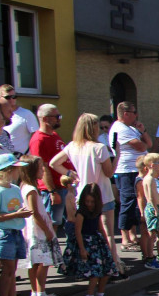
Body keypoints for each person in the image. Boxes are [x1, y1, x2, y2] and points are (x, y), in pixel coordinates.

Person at [49, 114, 119, 268]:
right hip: (102, 194)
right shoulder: (99, 147)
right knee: (107, 232)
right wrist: (117, 155)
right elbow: (109, 173)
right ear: (93, 128)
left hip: (83, 195)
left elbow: (53, 163)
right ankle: (113, 264)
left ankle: (88, 263)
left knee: (85, 232)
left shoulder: (73, 145)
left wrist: (69, 173)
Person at [67, 183, 119, 296]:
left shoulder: (97, 212)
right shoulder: (81, 213)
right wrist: (82, 249)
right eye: (87, 201)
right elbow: (78, 231)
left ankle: (100, 294)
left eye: (92, 201)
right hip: (87, 242)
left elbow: (100, 227)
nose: (89, 204)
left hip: (97, 241)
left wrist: (107, 243)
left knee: (107, 269)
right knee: (95, 272)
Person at [18, 156, 62, 296]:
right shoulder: (31, 189)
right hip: (37, 231)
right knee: (42, 263)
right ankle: (40, 292)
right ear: (31, 170)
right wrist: (47, 230)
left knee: (35, 263)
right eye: (40, 168)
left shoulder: (26, 186)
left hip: (34, 229)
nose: (43, 170)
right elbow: (34, 213)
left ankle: (36, 292)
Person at [109, 101, 151, 252]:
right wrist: (143, 143)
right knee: (127, 202)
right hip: (126, 170)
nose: (136, 115)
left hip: (136, 170)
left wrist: (143, 131)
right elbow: (141, 146)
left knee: (135, 203)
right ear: (125, 114)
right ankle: (125, 238)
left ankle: (133, 235)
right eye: (134, 112)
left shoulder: (132, 128)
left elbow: (149, 143)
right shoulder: (120, 128)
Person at [0, 153, 32, 296]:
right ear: (7, 171)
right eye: (16, 169)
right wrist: (16, 215)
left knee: (13, 269)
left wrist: (21, 213)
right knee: (8, 269)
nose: (18, 172)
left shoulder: (16, 188)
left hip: (16, 231)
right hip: (4, 233)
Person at [28, 104, 70, 229]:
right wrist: (52, 191)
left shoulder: (54, 135)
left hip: (63, 186)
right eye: (56, 116)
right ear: (45, 119)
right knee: (52, 224)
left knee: (65, 222)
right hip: (53, 189)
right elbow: (43, 167)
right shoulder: (38, 140)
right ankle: (50, 248)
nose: (59, 118)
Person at [138, 154, 159, 267]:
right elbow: (150, 197)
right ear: (153, 165)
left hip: (157, 208)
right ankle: (150, 258)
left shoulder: (154, 179)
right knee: (152, 235)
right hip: (153, 208)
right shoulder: (149, 179)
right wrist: (155, 209)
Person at [0, 84, 38, 155]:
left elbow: (35, 137)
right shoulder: (0, 116)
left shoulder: (26, 114)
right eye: (8, 97)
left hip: (22, 158)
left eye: (14, 97)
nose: (11, 100)